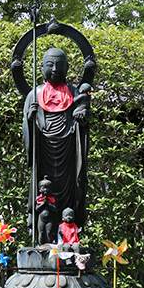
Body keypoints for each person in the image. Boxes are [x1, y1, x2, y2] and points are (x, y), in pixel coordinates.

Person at [23, 47, 90, 233]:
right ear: (42, 67)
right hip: (43, 147)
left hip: (68, 148)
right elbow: (26, 128)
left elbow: (84, 117)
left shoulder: (74, 92)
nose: (54, 69)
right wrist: (30, 120)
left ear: (67, 68)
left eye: (60, 65)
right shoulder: (34, 95)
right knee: (41, 186)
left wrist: (82, 116)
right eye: (50, 65)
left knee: (71, 186)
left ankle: (69, 227)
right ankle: (39, 227)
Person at [35, 178, 57, 245]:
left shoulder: (52, 199)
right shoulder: (38, 198)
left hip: (49, 219)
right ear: (40, 189)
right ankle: (40, 245)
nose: (45, 190)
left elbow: (54, 208)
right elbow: (37, 209)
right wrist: (43, 203)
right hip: (41, 219)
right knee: (41, 232)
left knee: (49, 232)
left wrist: (48, 203)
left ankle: (48, 245)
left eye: (47, 188)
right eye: (44, 188)